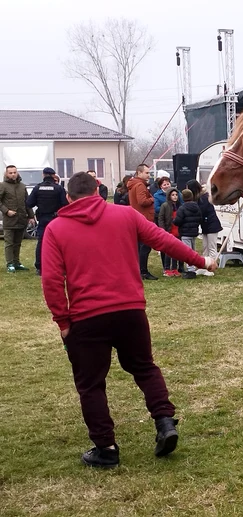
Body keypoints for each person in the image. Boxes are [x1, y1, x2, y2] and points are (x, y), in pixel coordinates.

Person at [40, 172, 218, 469]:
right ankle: (164, 421)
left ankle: (106, 447)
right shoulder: (126, 215)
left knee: (91, 384)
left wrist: (63, 321)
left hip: (87, 318)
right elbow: (164, 241)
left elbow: (51, 280)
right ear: (98, 191)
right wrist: (201, 261)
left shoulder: (56, 229)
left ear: (68, 197)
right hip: (130, 311)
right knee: (144, 367)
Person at [26, 167, 68, 275]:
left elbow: (29, 203)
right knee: (59, 243)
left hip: (43, 218)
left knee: (42, 242)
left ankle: (39, 267)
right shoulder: (59, 189)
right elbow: (65, 204)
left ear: (43, 175)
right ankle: (60, 266)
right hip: (56, 219)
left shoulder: (37, 188)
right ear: (54, 176)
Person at [0, 165, 36, 272]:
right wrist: (7, 211)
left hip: (21, 219)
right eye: (10, 173)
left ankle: (16, 262)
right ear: (6, 174)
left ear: (17, 173)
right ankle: (10, 263)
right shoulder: (3, 186)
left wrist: (31, 216)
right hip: (9, 220)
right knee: (9, 243)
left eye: (14, 172)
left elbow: (27, 202)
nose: (13, 174)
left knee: (18, 243)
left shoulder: (22, 186)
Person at [127, 164, 158, 280]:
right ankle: (143, 271)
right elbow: (142, 201)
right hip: (143, 219)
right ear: (139, 173)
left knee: (140, 247)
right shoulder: (139, 185)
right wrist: (152, 198)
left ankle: (138, 270)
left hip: (138, 217)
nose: (148, 175)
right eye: (147, 173)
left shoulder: (134, 184)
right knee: (145, 247)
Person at [187, 179, 220, 277]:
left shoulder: (205, 198)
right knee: (205, 247)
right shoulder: (199, 198)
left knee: (212, 247)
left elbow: (201, 211)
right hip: (205, 225)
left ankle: (211, 267)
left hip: (212, 225)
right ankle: (204, 265)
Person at [173, 189, 202, 279]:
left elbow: (178, 221)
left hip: (185, 232)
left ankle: (191, 270)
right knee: (193, 250)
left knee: (188, 251)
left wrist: (173, 221)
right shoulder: (196, 207)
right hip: (194, 232)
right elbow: (200, 218)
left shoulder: (182, 208)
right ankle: (193, 267)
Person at [157, 187, 183, 277]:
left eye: (176, 195)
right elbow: (161, 218)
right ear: (169, 196)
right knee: (168, 251)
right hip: (169, 230)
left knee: (176, 251)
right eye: (173, 195)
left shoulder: (180, 205)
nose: (175, 197)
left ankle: (174, 268)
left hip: (178, 231)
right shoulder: (165, 205)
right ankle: (167, 269)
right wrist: (163, 230)